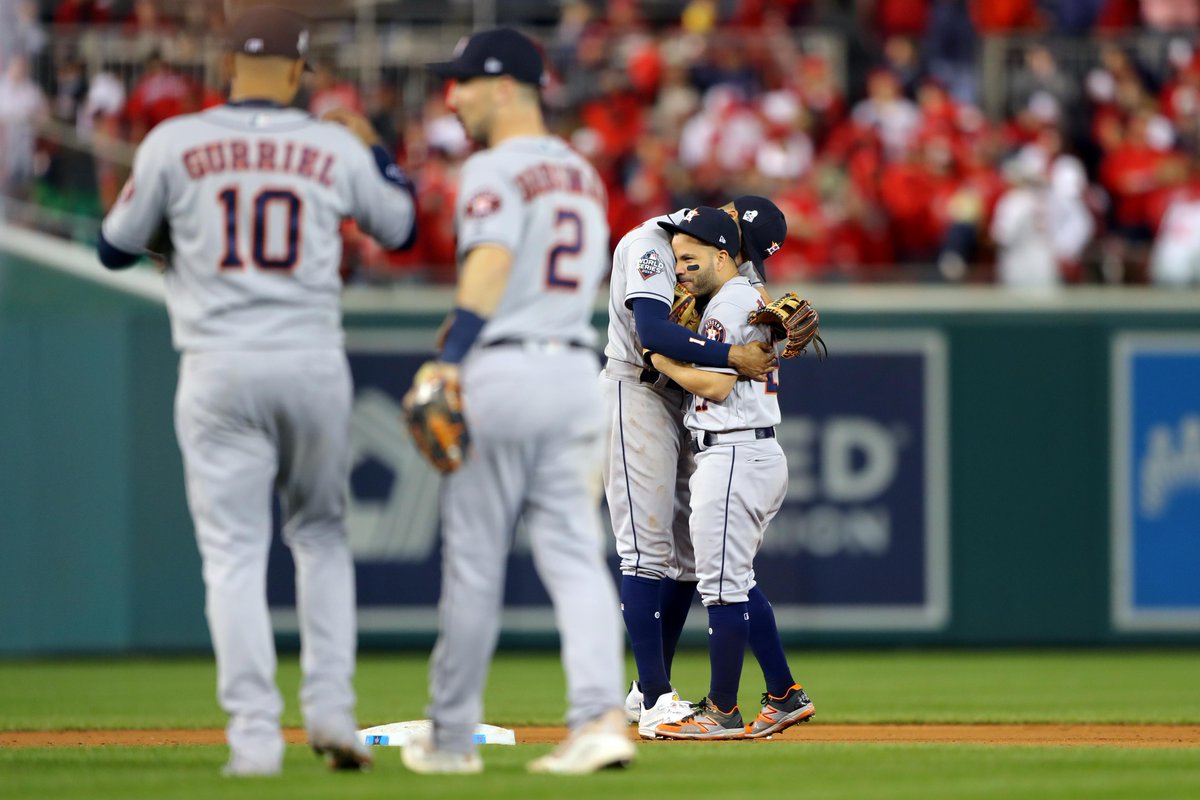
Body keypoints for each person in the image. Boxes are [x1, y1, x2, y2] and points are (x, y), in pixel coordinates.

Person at [96, 6, 418, 776]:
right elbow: (401, 227)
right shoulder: (331, 145)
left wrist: (174, 236)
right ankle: (334, 714)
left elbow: (111, 249)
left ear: (227, 66)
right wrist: (372, 143)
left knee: (233, 557)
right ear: (301, 70)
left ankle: (251, 741)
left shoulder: (176, 140)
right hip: (310, 361)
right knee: (321, 540)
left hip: (217, 363)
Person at [401, 28, 635, 776]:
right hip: (574, 371)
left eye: (465, 82)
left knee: (473, 565)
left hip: (505, 371)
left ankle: (448, 740)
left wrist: (449, 357)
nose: (453, 96)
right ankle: (600, 717)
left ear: (505, 87)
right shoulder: (583, 175)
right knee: (574, 553)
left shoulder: (493, 167)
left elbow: (493, 261)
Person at [603, 196, 783, 739]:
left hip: (683, 399)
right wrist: (733, 355)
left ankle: (645, 687)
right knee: (645, 545)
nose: (743, 262)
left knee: (686, 556)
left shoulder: (718, 260)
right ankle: (657, 697)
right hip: (638, 390)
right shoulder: (650, 247)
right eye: (742, 249)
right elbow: (653, 334)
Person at [646, 208, 814, 740]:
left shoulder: (730, 301)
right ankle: (785, 694)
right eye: (677, 260)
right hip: (753, 452)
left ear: (725, 254)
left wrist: (661, 358)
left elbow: (716, 387)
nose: (680, 270)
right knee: (737, 583)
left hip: (734, 452)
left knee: (720, 589)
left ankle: (721, 711)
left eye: (690, 259)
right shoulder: (749, 296)